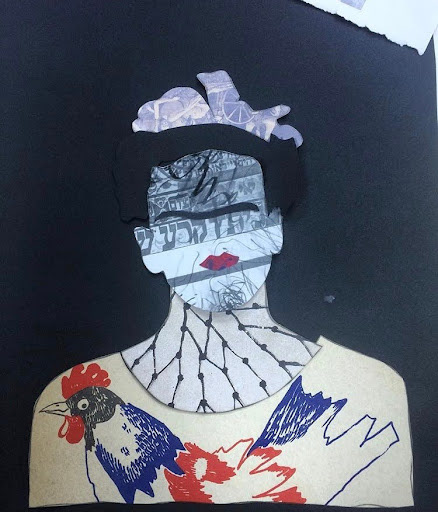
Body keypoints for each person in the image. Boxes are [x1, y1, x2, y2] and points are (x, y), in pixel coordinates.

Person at [29, 73, 413, 508]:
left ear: (273, 227)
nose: (214, 241)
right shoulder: (72, 405)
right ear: (149, 246)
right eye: (183, 220)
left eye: (237, 211)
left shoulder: (366, 395)